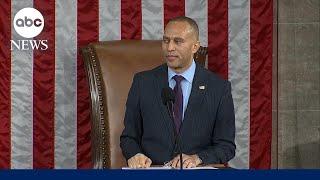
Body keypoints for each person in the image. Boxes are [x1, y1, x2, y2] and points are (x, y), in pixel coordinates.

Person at [120, 16, 235, 168]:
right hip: (153, 171)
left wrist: (198, 158)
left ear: (195, 47)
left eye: (178, 41)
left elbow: (226, 146)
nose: (169, 48)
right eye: (166, 40)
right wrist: (134, 154)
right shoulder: (143, 83)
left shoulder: (219, 88)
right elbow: (129, 137)